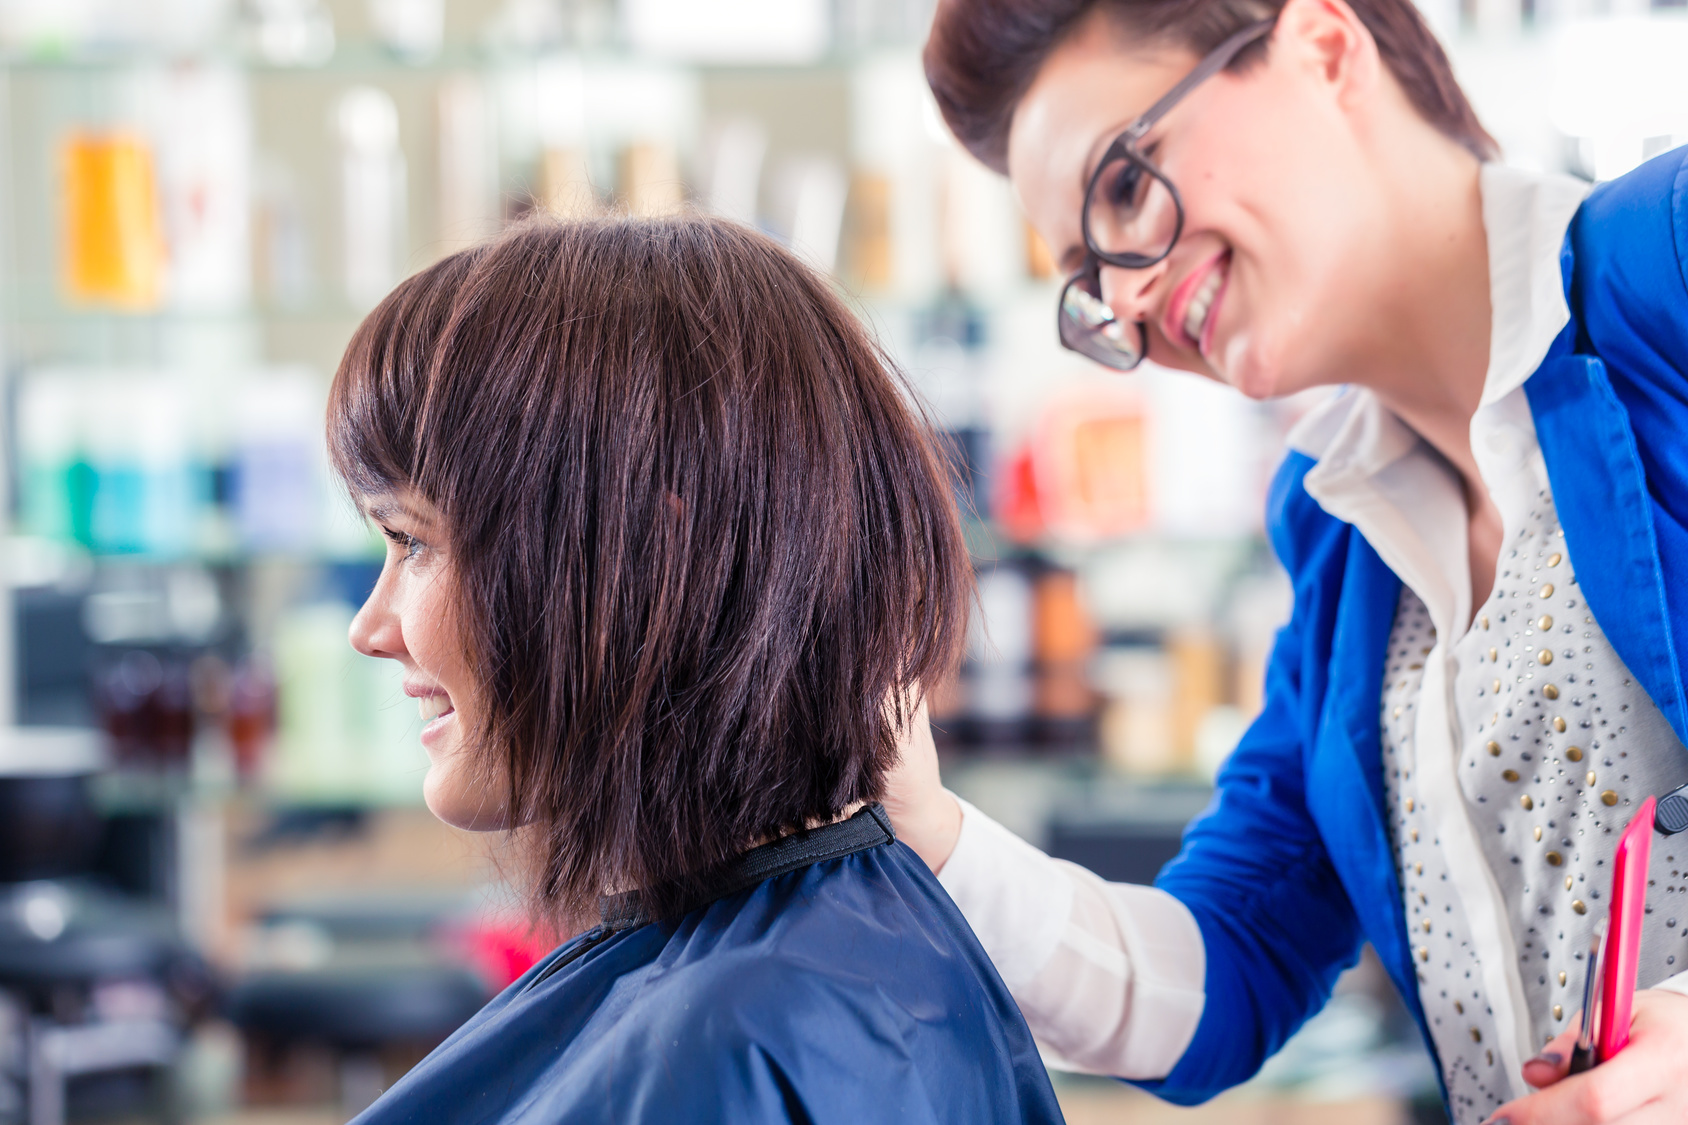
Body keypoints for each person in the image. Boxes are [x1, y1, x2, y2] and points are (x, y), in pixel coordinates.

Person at [882, 1, 1688, 1122]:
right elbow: (1229, 967)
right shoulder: (1335, 532)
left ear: (1321, 44)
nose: (1124, 296)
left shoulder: (1666, 263)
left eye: (1124, 184)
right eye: (1083, 274)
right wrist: (927, 829)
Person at [326, 216, 1066, 1125]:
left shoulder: (737, 1040)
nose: (372, 627)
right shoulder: (793, 981)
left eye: (413, 541)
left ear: (651, 550)